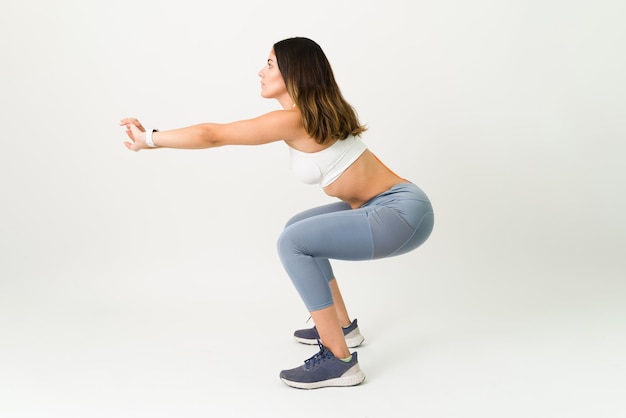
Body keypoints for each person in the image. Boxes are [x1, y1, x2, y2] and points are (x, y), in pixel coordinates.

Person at [120, 37, 434, 390]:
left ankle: (339, 359)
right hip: (398, 206)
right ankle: (343, 327)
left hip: (400, 212)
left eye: (269, 64)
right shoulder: (312, 113)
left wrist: (149, 139)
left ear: (293, 71)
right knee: (297, 227)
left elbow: (213, 135)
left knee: (293, 242)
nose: (260, 71)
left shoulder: (296, 119)